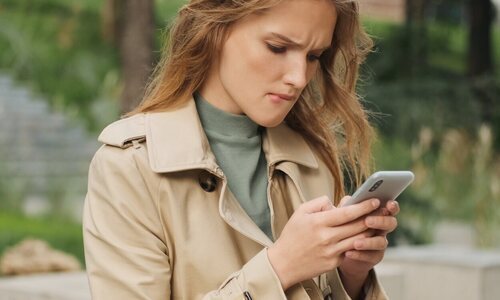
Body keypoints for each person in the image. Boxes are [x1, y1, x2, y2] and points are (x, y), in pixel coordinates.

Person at [83, 0, 399, 299]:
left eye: (313, 56)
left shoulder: (311, 158)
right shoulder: (130, 167)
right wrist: (280, 267)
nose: (298, 77)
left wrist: (351, 276)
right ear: (217, 28)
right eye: (278, 47)